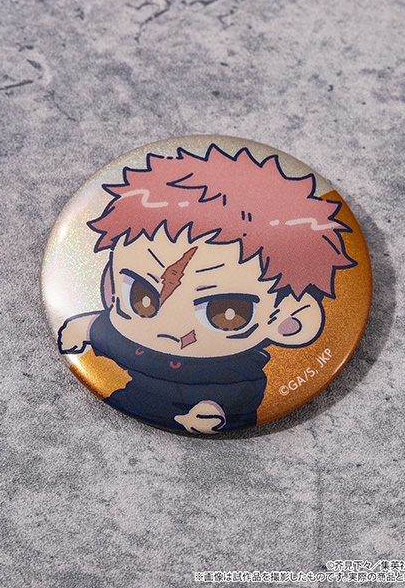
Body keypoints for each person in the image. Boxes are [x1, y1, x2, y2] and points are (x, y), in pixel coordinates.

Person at [58, 144, 355, 433]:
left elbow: (241, 392)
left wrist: (214, 410)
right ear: (110, 284)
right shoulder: (132, 337)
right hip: (132, 398)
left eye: (227, 313)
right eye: (142, 297)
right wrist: (86, 328)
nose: (170, 331)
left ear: (290, 322)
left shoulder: (233, 369)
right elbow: (112, 337)